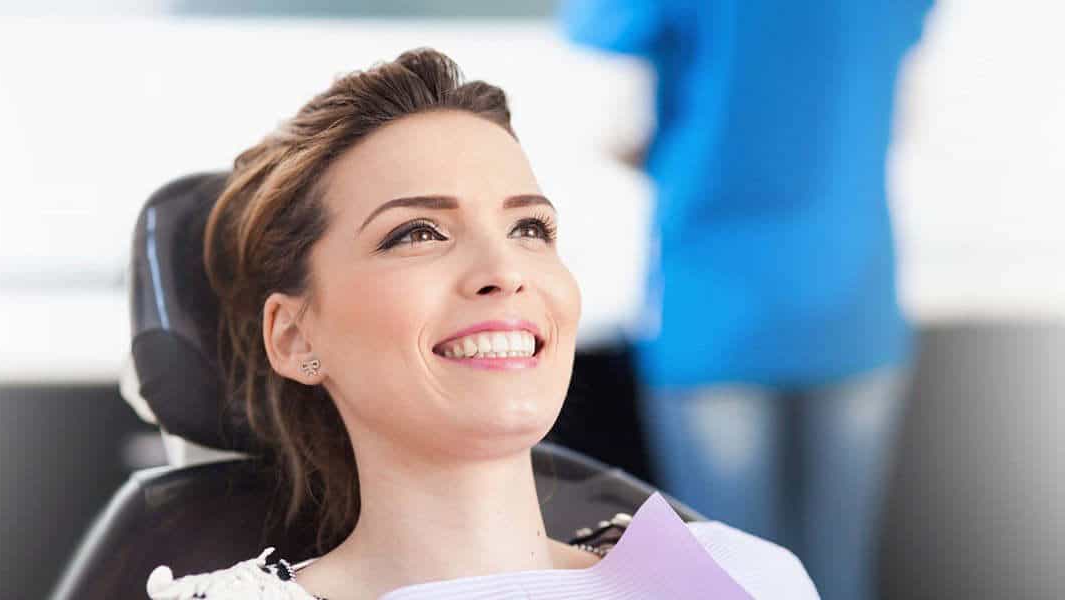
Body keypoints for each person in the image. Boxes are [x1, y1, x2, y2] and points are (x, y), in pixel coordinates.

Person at [143, 49, 817, 599]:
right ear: (295, 337)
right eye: (418, 233)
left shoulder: (750, 575)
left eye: (530, 227)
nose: (505, 269)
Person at [559, 2, 935, 599]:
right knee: (836, 571)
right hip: (853, 302)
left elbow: (612, 119)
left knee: (728, 578)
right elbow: (901, 120)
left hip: (713, 308)